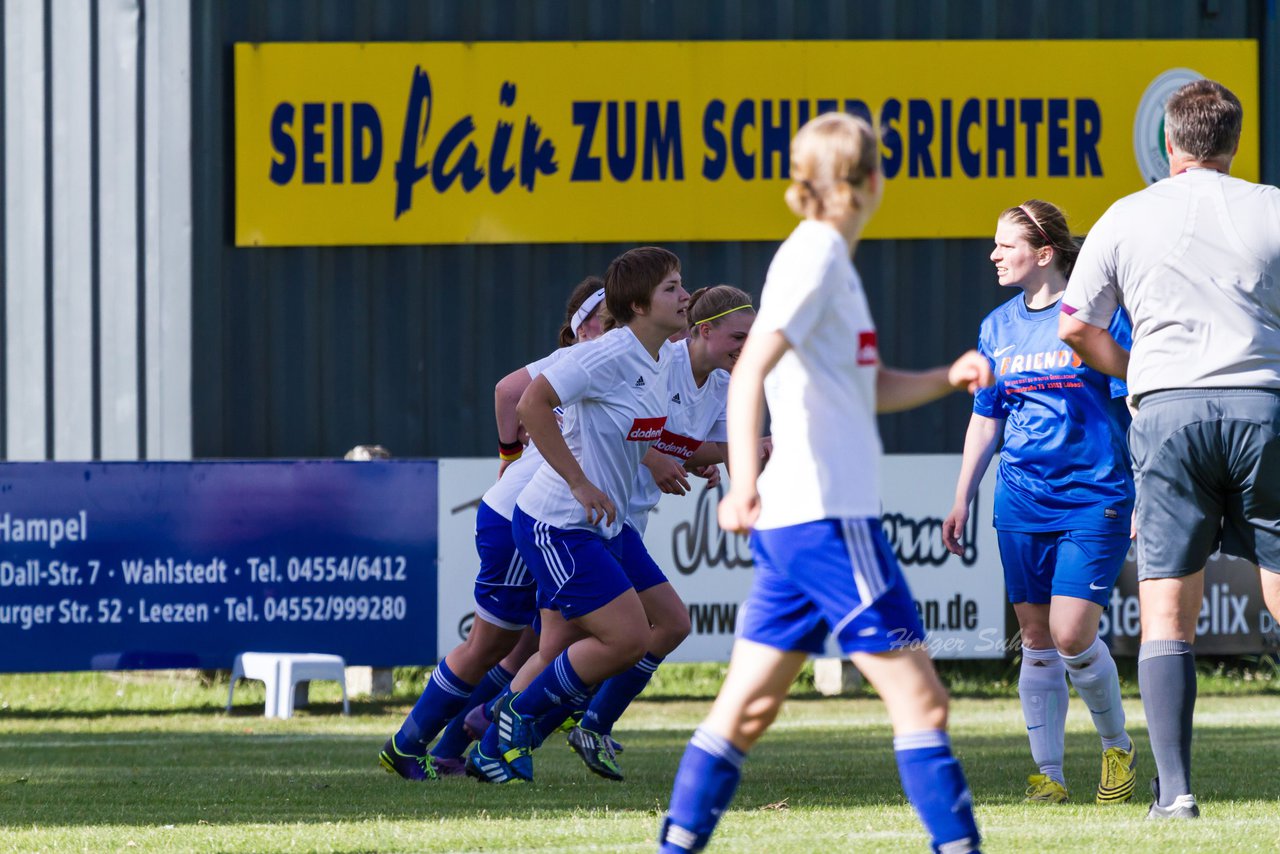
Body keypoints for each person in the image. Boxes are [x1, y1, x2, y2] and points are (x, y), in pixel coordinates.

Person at [659, 112, 989, 854]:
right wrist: (742, 483)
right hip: (828, 521)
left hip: (799, 527)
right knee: (923, 703)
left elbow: (865, 387)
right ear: (873, 181)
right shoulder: (817, 260)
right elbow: (749, 374)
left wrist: (947, 377)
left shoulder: (827, 260)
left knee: (743, 712)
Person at [1059, 78, 1280, 820]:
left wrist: (1136, 370)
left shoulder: (1126, 216)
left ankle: (1177, 793)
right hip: (1264, 406)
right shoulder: (1272, 205)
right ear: (1234, 142)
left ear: (1167, 143)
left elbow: (1073, 325)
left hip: (1168, 411)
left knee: (1166, 613)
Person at [466, 246, 690, 784]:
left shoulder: (656, 358)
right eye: (672, 288)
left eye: (682, 285)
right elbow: (528, 404)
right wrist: (579, 480)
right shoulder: (607, 353)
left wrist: (721, 455)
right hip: (558, 523)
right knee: (627, 638)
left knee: (640, 630)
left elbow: (644, 438)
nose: (685, 297)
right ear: (637, 304)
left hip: (603, 526)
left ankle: (487, 749)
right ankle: (512, 716)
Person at [941, 200, 1137, 806]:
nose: (994, 254)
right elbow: (985, 420)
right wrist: (962, 496)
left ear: (1044, 253)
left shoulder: (1099, 318)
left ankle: (1117, 746)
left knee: (1072, 632)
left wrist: (1145, 491)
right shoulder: (997, 326)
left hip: (1095, 495)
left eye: (1006, 245)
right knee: (1036, 638)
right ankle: (1048, 774)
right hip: (1022, 498)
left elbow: (1136, 403)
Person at [377, 276, 607, 780]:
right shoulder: (591, 358)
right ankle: (416, 743)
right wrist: (509, 456)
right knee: (496, 645)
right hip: (523, 516)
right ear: (586, 325)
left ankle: (464, 741)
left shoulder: (627, 359)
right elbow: (508, 390)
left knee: (537, 643)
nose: (677, 304)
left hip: (549, 518)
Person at [564, 285, 755, 781]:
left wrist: (720, 458)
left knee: (541, 646)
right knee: (538, 647)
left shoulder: (721, 383)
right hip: (585, 515)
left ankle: (500, 733)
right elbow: (624, 426)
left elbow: (696, 449)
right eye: (739, 336)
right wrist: (667, 455)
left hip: (623, 517)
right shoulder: (660, 362)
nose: (747, 348)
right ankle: (508, 733)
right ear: (704, 330)